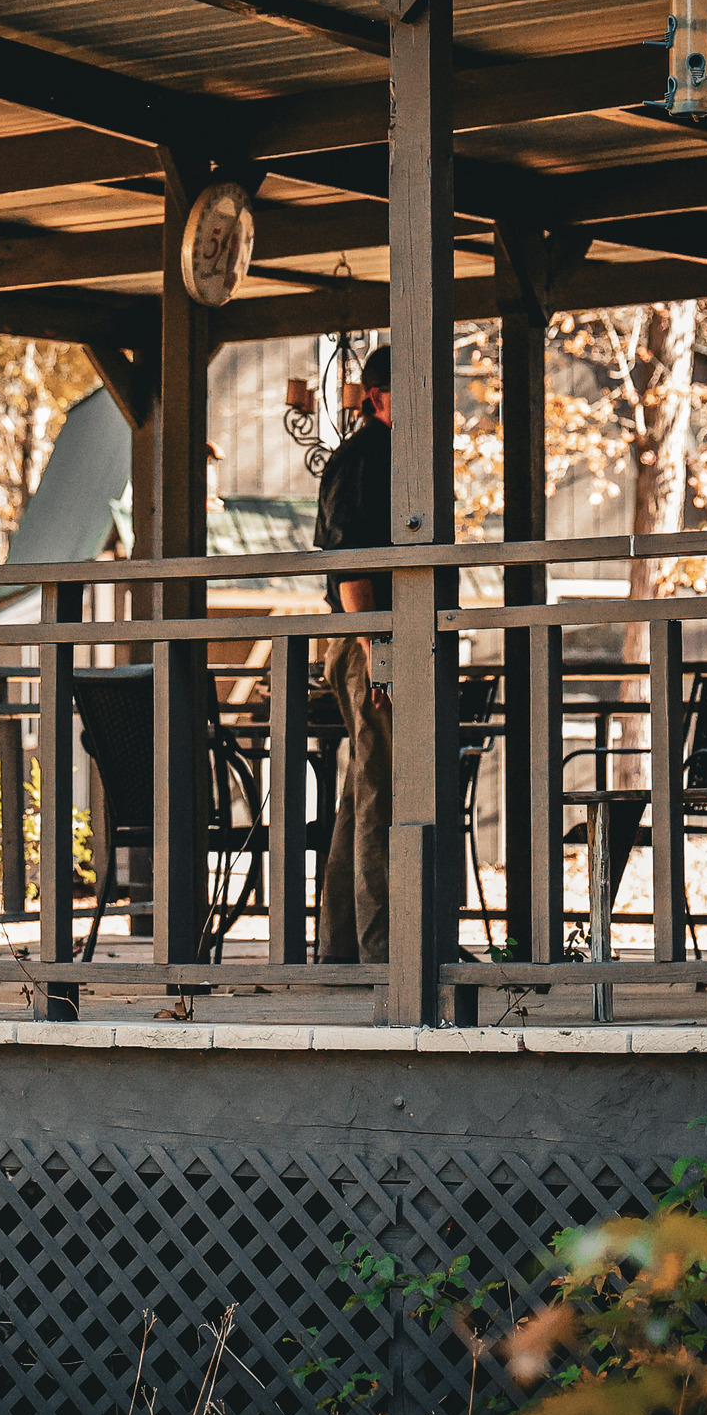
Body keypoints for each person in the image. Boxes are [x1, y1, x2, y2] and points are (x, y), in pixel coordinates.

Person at [312, 346, 393, 964]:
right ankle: (383, 950)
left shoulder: (396, 457)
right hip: (374, 640)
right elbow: (350, 563)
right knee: (382, 795)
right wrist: (377, 650)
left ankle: (341, 947)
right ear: (376, 397)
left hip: (381, 639)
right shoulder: (364, 458)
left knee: (363, 793)